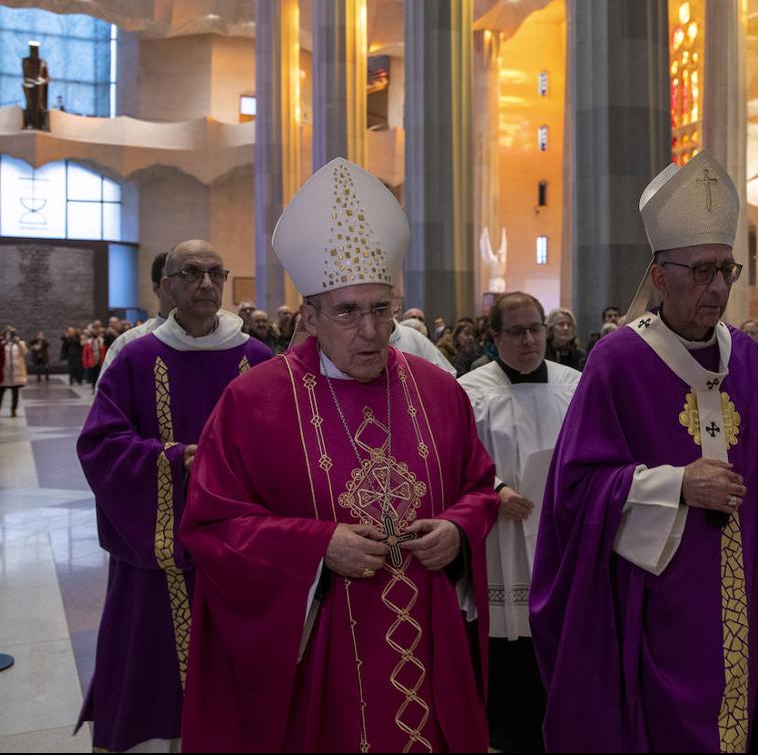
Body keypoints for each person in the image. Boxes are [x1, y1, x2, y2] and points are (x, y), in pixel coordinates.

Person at [179, 157, 498, 752]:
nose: (371, 331)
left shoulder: (439, 392)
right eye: (348, 312)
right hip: (321, 662)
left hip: (429, 641)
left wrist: (458, 529)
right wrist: (317, 546)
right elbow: (213, 525)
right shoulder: (254, 402)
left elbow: (480, 487)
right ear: (310, 317)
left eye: (382, 310)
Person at [530, 151, 758, 751]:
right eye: (701, 272)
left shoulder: (749, 358)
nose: (718, 287)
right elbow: (576, 492)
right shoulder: (616, 363)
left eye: (727, 269)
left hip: (751, 583)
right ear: (660, 277)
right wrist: (676, 485)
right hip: (661, 605)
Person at [75, 239, 273, 752]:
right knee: (153, 660)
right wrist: (172, 459)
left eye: (215, 273)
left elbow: (285, 443)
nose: (205, 284)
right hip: (158, 551)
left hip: (240, 546)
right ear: (167, 285)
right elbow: (101, 443)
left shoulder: (257, 358)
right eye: (191, 273)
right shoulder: (136, 357)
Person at [459, 292, 581, 752]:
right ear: (494, 338)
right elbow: (457, 459)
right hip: (499, 537)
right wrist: (495, 490)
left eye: (537, 328)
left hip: (559, 533)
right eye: (517, 331)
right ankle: (506, 731)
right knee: (506, 636)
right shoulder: (471, 390)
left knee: (556, 630)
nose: (530, 340)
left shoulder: (574, 385)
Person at [100, 253, 173, 378]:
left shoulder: (218, 340)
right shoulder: (128, 343)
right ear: (156, 288)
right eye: (173, 279)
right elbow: (106, 395)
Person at [545, 307, 587, 371]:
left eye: (569, 325)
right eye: (561, 324)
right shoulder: (542, 354)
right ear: (551, 328)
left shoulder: (581, 356)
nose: (566, 328)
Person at [1, 327, 28, 417]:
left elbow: (24, 352)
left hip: (16, 372)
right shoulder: (2, 344)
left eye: (11, 334)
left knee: (15, 392)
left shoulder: (20, 343)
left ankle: (13, 409)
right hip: (4, 372)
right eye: (8, 334)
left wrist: (18, 343)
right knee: (0, 392)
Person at [82, 327, 105, 391]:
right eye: (94, 332)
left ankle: (98, 387)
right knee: (92, 375)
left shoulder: (101, 341)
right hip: (91, 361)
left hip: (99, 360)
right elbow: (85, 353)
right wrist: (85, 362)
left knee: (99, 374)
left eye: (96, 332)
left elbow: (103, 351)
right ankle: (93, 387)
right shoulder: (88, 342)